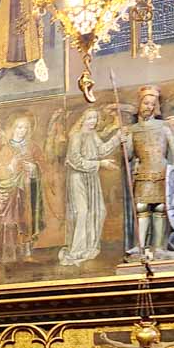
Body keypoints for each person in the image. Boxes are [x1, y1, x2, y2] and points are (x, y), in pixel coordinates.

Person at [123, 85, 174, 260]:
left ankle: (159, 247)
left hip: (161, 171)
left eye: (152, 103)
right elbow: (128, 156)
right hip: (142, 172)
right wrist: (125, 140)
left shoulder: (163, 126)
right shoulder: (133, 130)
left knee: (161, 208)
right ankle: (142, 247)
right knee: (142, 208)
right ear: (140, 104)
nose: (148, 106)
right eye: (146, 103)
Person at [58, 108, 122, 266]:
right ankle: (76, 250)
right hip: (78, 178)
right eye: (89, 118)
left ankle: (89, 246)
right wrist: (100, 164)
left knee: (98, 211)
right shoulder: (76, 137)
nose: (92, 121)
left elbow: (101, 150)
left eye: (95, 118)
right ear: (82, 119)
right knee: (82, 212)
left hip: (91, 177)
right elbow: (75, 161)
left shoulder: (92, 135)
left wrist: (117, 138)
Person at [0, 113, 45, 265]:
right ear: (13, 128)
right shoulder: (5, 148)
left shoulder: (32, 147)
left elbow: (43, 165)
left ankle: (27, 252)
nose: (22, 131)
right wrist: (12, 166)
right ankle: (9, 254)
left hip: (28, 190)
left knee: (27, 219)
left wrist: (33, 167)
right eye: (19, 127)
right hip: (11, 191)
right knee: (11, 221)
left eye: (26, 128)